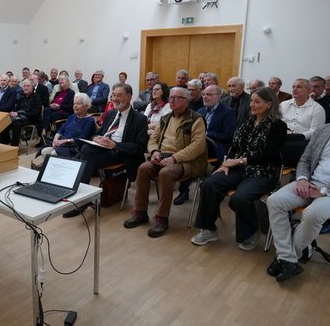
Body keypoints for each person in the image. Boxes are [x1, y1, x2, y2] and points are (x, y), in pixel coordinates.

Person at [191, 87, 287, 250]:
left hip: (262, 172)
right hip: (237, 167)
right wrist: (226, 164)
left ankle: (250, 232)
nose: (252, 105)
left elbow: (270, 154)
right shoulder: (247, 123)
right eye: (251, 101)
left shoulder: (278, 126)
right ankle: (209, 230)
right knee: (209, 184)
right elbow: (234, 146)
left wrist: (240, 161)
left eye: (257, 102)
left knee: (239, 198)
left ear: (269, 104)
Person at [123, 87, 207, 237]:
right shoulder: (165, 118)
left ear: (186, 101)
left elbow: (198, 146)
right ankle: (141, 212)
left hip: (186, 160)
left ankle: (162, 218)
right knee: (143, 168)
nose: (172, 100)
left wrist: (174, 158)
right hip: (163, 156)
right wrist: (154, 152)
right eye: (171, 97)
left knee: (166, 173)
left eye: (177, 97)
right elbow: (153, 139)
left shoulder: (196, 119)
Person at [66, 83, 148, 218]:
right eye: (113, 95)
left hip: (121, 154)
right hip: (102, 150)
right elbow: (99, 133)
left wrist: (115, 145)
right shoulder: (110, 114)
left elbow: (139, 147)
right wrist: (96, 138)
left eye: (119, 95)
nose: (115, 98)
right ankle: (84, 199)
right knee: (86, 150)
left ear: (129, 97)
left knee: (83, 158)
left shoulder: (140, 119)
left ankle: (81, 199)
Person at [266, 123, 330, 283]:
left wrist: (323, 192)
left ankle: (286, 258)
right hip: (310, 182)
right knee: (275, 201)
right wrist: (302, 179)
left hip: (327, 192)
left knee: (313, 214)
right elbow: (305, 159)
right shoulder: (324, 130)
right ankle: (288, 259)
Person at [41, 93, 94, 158]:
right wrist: (55, 139)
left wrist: (64, 141)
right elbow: (61, 129)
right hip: (62, 143)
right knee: (44, 151)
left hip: (74, 147)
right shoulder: (72, 116)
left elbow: (82, 138)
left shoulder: (89, 120)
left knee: (54, 154)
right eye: (74, 103)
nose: (75, 106)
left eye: (78, 104)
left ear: (86, 106)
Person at [0, 79, 42, 146]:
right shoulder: (22, 98)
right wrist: (12, 113)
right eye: (24, 86)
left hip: (31, 119)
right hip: (20, 117)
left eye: (28, 86)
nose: (26, 88)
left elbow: (35, 114)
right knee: (5, 121)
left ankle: (14, 147)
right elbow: (15, 109)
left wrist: (19, 113)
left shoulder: (37, 99)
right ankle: (5, 143)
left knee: (16, 124)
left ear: (32, 87)